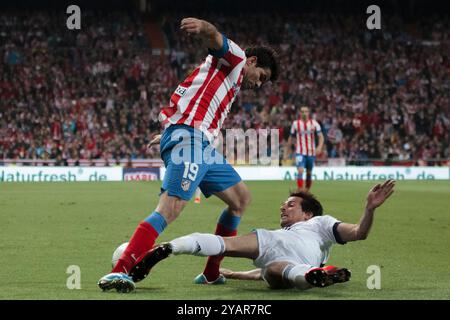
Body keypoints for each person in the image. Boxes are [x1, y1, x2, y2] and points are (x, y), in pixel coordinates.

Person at [98, 17, 279, 292]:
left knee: (240, 199)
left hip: (200, 144)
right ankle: (119, 270)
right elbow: (216, 37)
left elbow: (193, 103)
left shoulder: (226, 81)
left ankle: (211, 273)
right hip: (190, 139)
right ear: (252, 62)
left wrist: (172, 130)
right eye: (262, 77)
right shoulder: (239, 59)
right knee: (170, 209)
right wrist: (204, 28)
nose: (259, 84)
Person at [129, 180, 395, 290]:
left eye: (291, 204)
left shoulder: (322, 223)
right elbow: (258, 273)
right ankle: (316, 275)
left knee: (227, 245)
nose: (283, 207)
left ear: (308, 214)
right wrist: (234, 274)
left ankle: (170, 247)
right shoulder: (284, 230)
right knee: (274, 271)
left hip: (282, 247)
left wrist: (369, 209)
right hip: (294, 258)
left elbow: (359, 233)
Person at [288, 106, 324, 190]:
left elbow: (321, 137)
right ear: (300, 113)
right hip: (300, 152)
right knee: (300, 170)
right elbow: (291, 137)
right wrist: (289, 149)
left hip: (311, 152)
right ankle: (300, 191)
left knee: (309, 173)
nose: (304, 113)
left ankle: (307, 191)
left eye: (306, 111)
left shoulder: (314, 123)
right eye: (302, 111)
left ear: (309, 113)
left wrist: (319, 147)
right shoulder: (295, 124)